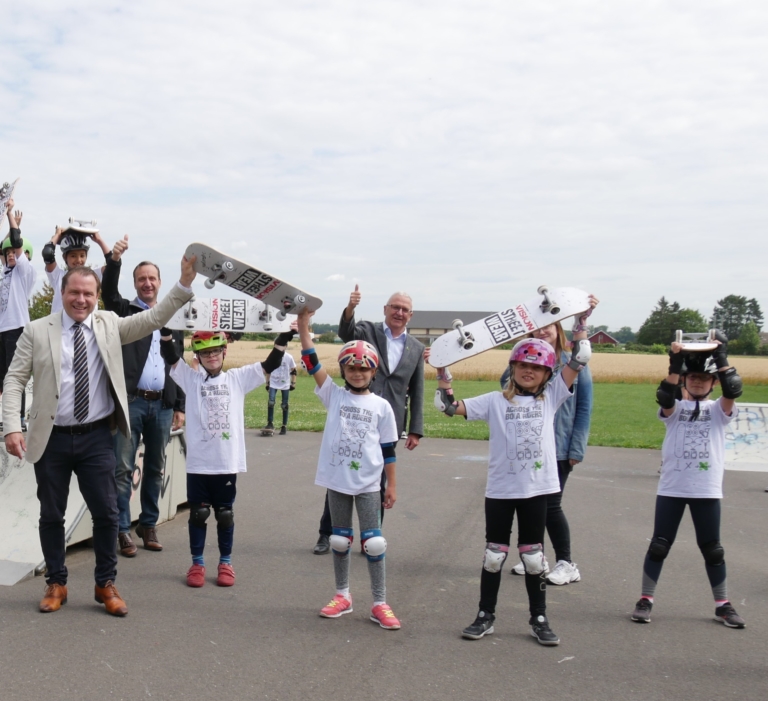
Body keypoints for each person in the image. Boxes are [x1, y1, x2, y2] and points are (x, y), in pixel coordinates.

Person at [2, 256, 196, 616]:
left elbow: (153, 318)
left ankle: (105, 583)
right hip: (52, 438)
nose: (81, 299)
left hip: (96, 437)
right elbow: (13, 380)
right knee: (51, 515)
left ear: (97, 297)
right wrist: (12, 425)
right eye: (74, 292)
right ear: (62, 293)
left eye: (88, 293)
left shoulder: (110, 324)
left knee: (107, 514)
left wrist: (183, 284)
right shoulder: (36, 330)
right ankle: (56, 582)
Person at [434, 330, 593, 645]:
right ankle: (485, 615)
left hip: (536, 491)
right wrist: (442, 369)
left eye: (536, 368)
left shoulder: (552, 396)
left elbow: (580, 357)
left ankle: (539, 617)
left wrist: (582, 325)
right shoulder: (494, 401)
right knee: (494, 555)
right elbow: (449, 407)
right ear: (513, 368)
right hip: (501, 491)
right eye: (522, 365)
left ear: (547, 373)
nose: (529, 371)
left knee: (534, 558)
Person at [159, 326, 295, 587]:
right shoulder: (191, 379)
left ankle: (225, 563)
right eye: (205, 353)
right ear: (198, 356)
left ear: (224, 351)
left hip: (226, 462)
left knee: (224, 514)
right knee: (198, 514)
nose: (211, 357)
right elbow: (171, 357)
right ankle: (197, 563)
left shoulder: (237, 378)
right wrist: (166, 331)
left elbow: (270, 363)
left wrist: (282, 339)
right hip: (199, 463)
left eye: (215, 351)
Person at [630, 337, 746, 628]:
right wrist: (674, 362)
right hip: (672, 488)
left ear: (713, 383)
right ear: (685, 380)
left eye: (704, 379)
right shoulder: (676, 410)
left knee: (713, 549)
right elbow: (665, 397)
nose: (697, 382)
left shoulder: (720, 410)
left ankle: (722, 604)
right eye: (692, 377)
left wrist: (721, 356)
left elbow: (734, 387)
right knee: (659, 545)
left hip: (706, 490)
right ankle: (646, 599)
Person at [298, 308, 401, 630]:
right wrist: (303, 326)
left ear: (373, 373)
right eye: (352, 368)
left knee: (374, 543)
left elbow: (389, 451)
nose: (357, 373)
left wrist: (392, 486)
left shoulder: (381, 407)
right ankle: (342, 595)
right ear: (344, 370)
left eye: (363, 369)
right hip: (337, 482)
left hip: (369, 484)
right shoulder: (335, 396)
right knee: (340, 540)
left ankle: (380, 603)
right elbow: (312, 361)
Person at [313, 285, 424, 555]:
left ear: (411, 315)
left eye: (404, 310)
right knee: (341, 477)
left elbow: (418, 388)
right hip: (353, 413)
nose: (399, 312)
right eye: (394, 307)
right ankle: (326, 534)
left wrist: (415, 429)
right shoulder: (368, 330)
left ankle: (370, 537)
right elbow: (346, 333)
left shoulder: (417, 347)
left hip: (388, 419)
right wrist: (350, 308)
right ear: (385, 310)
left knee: (379, 480)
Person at [100, 235, 188, 557]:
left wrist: (179, 405)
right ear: (135, 284)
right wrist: (115, 260)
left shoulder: (172, 318)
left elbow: (177, 363)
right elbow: (108, 292)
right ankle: (122, 529)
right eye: (141, 279)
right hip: (132, 402)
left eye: (152, 278)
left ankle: (147, 524)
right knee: (122, 468)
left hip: (162, 406)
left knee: (155, 466)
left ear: (160, 282)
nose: (147, 283)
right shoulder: (124, 311)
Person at [501, 301, 597, 585]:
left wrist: (576, 447)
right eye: (536, 328)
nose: (543, 332)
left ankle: (567, 563)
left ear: (558, 330)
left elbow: (584, 407)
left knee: (551, 505)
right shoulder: (522, 361)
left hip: (559, 445)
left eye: (548, 327)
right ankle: (537, 556)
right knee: (531, 502)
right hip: (529, 445)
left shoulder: (571, 362)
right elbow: (506, 386)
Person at [0, 200, 37, 431]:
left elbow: (15, 241)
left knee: (15, 376)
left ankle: (18, 419)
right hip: (1, 330)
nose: (11, 255)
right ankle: (4, 417)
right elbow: (5, 243)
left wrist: (10, 213)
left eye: (15, 252)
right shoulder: (3, 273)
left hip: (16, 328)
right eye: (7, 254)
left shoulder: (25, 273)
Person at [42, 220, 111, 314]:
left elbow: (113, 266)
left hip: (88, 327)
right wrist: (57, 235)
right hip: (60, 327)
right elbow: (47, 254)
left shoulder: (94, 276)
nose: (78, 260)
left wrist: (99, 240)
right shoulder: (58, 275)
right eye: (73, 256)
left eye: (82, 255)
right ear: (65, 257)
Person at [263, 350, 297, 435]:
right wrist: (267, 383)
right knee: (271, 402)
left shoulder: (289, 357)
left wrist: (293, 383)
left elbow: (293, 370)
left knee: (284, 405)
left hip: (285, 383)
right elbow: (268, 370)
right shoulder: (273, 356)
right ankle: (270, 423)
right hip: (273, 382)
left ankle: (284, 426)